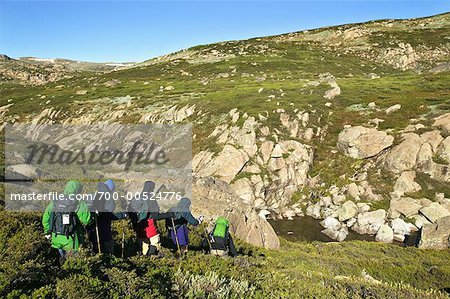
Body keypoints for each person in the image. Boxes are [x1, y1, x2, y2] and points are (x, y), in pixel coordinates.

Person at [42, 180, 91, 263]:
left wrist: (47, 231)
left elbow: (46, 218)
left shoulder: (55, 201)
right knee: (74, 263)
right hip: (72, 240)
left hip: (56, 238)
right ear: (78, 190)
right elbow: (86, 220)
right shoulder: (78, 202)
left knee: (62, 260)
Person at [129, 181, 174, 256]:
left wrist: (134, 223)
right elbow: (156, 216)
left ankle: (142, 258)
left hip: (139, 224)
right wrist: (169, 215)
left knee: (143, 241)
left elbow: (130, 211)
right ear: (152, 188)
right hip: (149, 224)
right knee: (155, 241)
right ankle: (151, 257)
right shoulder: (151, 199)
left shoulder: (136, 198)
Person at [86, 180, 127, 255]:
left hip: (92, 229)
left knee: (96, 251)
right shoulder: (108, 197)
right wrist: (122, 215)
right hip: (104, 231)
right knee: (107, 251)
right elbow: (108, 215)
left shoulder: (94, 194)